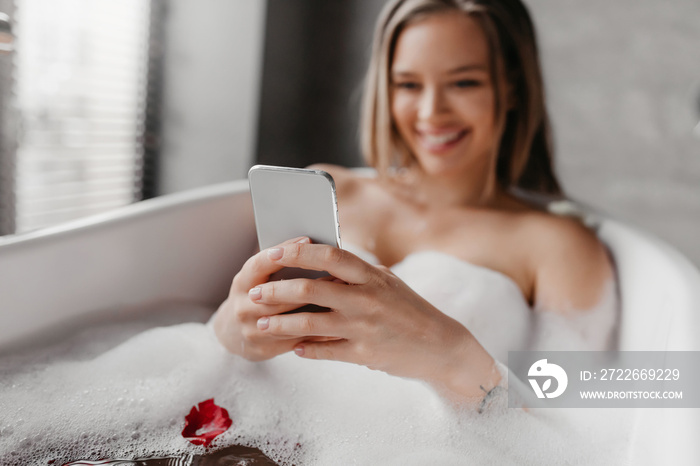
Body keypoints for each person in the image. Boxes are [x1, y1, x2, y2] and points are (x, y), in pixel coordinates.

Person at [213, 0, 616, 406]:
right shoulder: (335, 192)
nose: (431, 112)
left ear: (511, 87)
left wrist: (450, 354)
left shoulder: (557, 245)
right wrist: (233, 331)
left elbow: (576, 429)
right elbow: (220, 344)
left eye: (463, 83)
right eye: (408, 85)